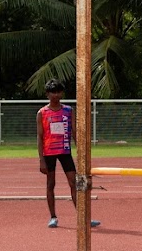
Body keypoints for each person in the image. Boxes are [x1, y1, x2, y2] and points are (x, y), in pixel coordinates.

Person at [36, 79, 99, 228]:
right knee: (50, 184)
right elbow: (40, 136)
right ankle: (53, 217)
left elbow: (74, 131)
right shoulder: (42, 113)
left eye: (58, 92)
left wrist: (81, 151)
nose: (56, 95)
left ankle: (83, 217)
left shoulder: (68, 110)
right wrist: (41, 160)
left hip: (64, 151)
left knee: (74, 183)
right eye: (53, 92)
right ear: (47, 94)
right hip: (49, 152)